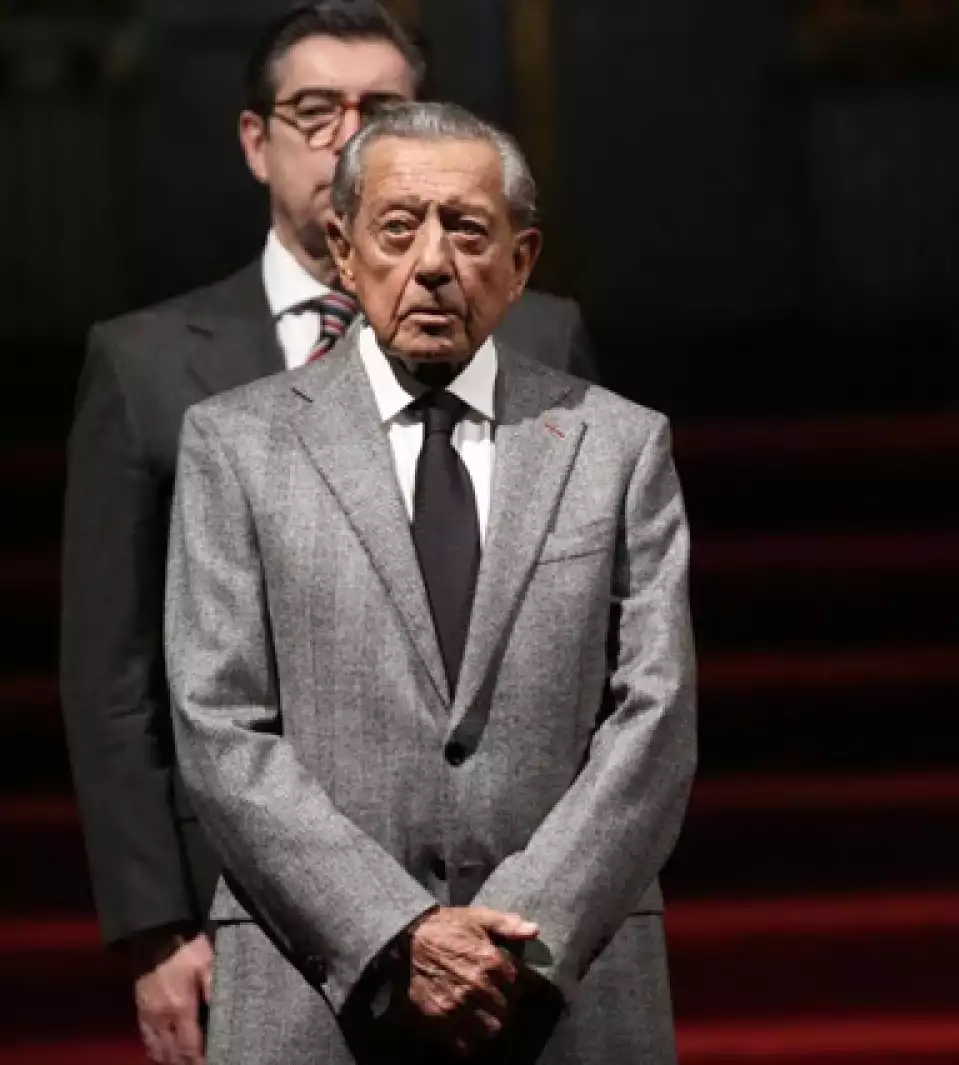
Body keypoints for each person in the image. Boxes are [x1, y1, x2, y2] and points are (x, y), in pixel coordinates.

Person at [59, 4, 598, 1063]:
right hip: (246, 905)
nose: (348, 136)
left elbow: (580, 638)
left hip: (502, 905)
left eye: (382, 109)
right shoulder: (147, 364)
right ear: (258, 140)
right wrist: (155, 925)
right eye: (316, 109)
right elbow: (110, 673)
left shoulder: (539, 332)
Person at [164, 100, 694, 1063]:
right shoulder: (235, 446)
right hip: (316, 989)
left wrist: (514, 943)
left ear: (523, 261)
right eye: (399, 228)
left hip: (563, 992)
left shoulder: (621, 445)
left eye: (469, 229)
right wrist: (392, 935)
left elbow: (655, 720)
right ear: (343, 248)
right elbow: (217, 724)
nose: (435, 262)